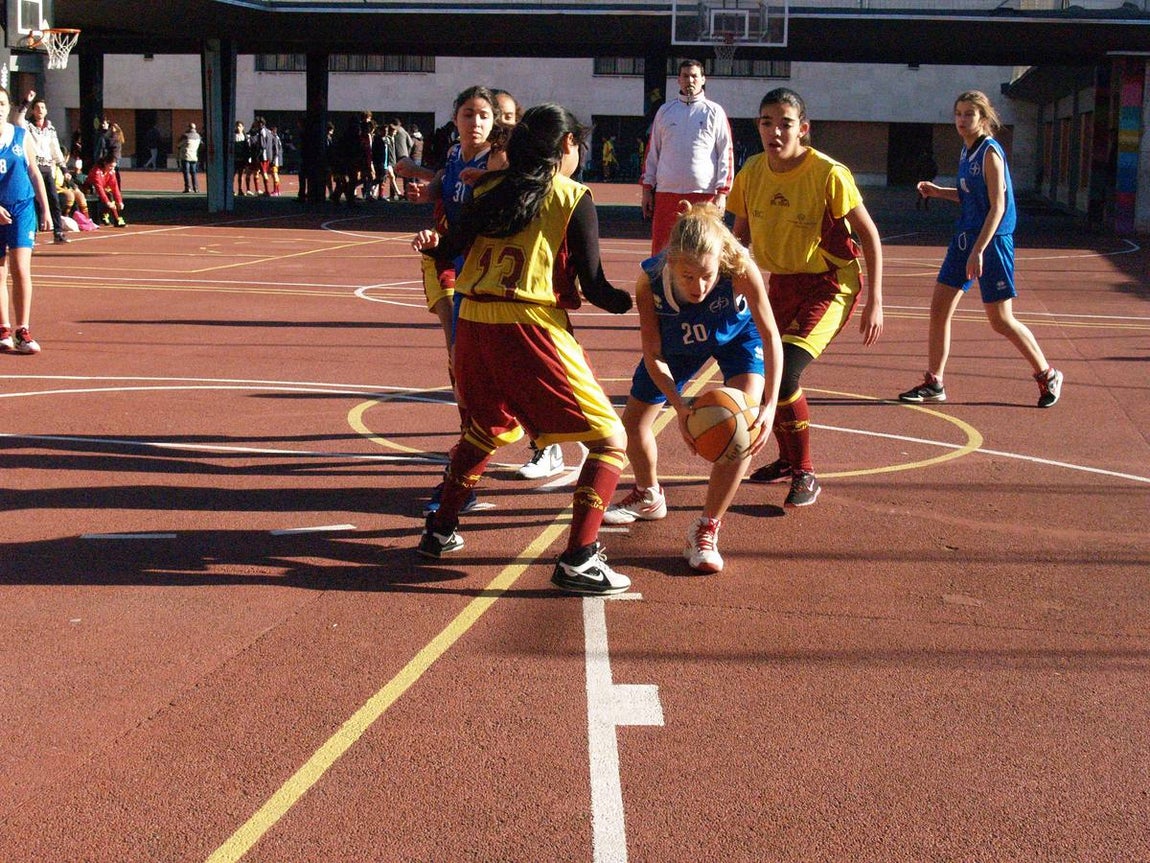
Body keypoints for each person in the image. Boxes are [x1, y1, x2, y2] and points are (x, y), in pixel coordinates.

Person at [414, 103, 635, 596]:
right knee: (609, 439)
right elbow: (595, 286)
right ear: (567, 147)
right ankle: (579, 559)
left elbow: (449, 248)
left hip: (472, 320)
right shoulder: (571, 195)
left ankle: (440, 528)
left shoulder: (489, 187)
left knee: (483, 429)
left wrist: (432, 243)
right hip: (527, 324)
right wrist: (640, 300)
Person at [602, 202, 783, 573]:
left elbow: (770, 335)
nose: (698, 285)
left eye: (706, 275)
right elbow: (653, 353)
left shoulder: (739, 267)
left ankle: (706, 527)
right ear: (671, 265)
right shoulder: (650, 281)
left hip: (737, 336)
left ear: (720, 261)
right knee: (632, 425)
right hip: (679, 341)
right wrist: (680, 408)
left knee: (742, 429)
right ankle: (649, 494)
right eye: (688, 276)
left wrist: (769, 405)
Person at [729, 87, 884, 507]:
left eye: (785, 123)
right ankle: (785, 460)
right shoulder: (752, 171)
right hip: (780, 282)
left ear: (804, 128)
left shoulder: (828, 173)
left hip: (830, 283)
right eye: (766, 122)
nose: (775, 131)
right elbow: (738, 235)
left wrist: (877, 300)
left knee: (788, 373)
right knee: (767, 376)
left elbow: (869, 234)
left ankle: (806, 471)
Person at [900, 90, 1063, 409]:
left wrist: (979, 250)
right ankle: (935, 381)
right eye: (958, 113)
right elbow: (973, 197)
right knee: (939, 308)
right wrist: (939, 192)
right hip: (966, 237)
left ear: (983, 118)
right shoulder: (966, 151)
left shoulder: (990, 152)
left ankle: (1047, 374)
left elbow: (998, 206)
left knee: (1000, 320)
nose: (961, 120)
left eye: (968, 114)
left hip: (991, 241)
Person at [641, 59, 734, 255]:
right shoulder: (665, 111)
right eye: (685, 76)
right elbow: (652, 153)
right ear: (678, 80)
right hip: (667, 193)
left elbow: (726, 153)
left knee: (702, 251)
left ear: (703, 80)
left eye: (694, 76)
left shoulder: (714, 112)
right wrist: (647, 190)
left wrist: (722, 193)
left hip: (704, 194)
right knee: (663, 251)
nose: (689, 80)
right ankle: (660, 286)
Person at [0, 86, 53, 355]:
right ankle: (3, 329)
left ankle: (23, 329)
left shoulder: (20, 136)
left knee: (21, 268)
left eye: (1, 103)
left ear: (8, 107)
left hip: (21, 208)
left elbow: (34, 172)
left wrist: (45, 209)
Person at [20, 94, 70, 244]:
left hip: (48, 168)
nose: (40, 110)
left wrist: (64, 168)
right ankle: (32, 232)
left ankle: (58, 231)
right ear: (33, 111)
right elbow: (19, 118)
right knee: (34, 201)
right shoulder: (27, 126)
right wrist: (26, 102)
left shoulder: (50, 128)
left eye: (42, 108)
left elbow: (55, 149)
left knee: (54, 200)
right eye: (37, 108)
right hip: (34, 167)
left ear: (46, 111)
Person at [87, 153, 127, 227]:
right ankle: (117, 219)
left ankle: (105, 214)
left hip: (103, 188)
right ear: (105, 163)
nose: (112, 168)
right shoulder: (97, 171)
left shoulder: (111, 172)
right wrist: (107, 202)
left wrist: (119, 201)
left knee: (110, 194)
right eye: (110, 166)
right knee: (109, 196)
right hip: (91, 188)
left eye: (114, 167)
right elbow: (99, 188)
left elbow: (115, 187)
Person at [176, 123, 202, 193]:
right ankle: (196, 188)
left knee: (186, 173)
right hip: (194, 157)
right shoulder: (198, 136)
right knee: (194, 173)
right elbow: (201, 144)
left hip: (186, 156)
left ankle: (188, 188)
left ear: (188, 128)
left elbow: (178, 144)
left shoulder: (185, 136)